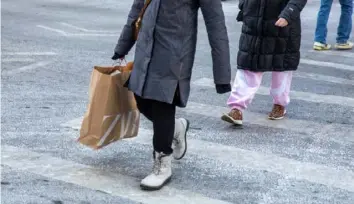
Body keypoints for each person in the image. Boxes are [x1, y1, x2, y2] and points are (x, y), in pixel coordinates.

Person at [112, 0, 231, 191]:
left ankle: (162, 164)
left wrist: (222, 74)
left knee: (162, 105)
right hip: (146, 48)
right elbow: (137, 8)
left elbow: (216, 24)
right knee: (140, 99)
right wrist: (123, 45)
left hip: (175, 54)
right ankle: (176, 128)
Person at [221, 0, 307, 126]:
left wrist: (288, 13)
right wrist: (244, 5)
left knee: (280, 67)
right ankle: (236, 108)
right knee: (248, 65)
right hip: (254, 22)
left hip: (283, 24)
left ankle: (280, 104)